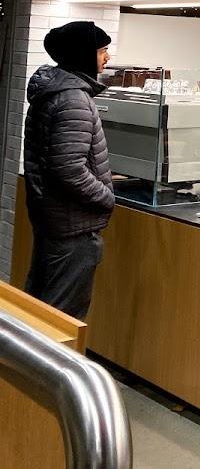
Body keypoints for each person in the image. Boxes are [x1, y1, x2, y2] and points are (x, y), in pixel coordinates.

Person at [23, 20, 115, 320]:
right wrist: (105, 196)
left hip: (56, 218)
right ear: (83, 54)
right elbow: (68, 169)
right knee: (61, 318)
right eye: (102, 50)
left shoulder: (57, 90)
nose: (107, 57)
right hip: (72, 224)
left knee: (42, 307)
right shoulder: (74, 98)